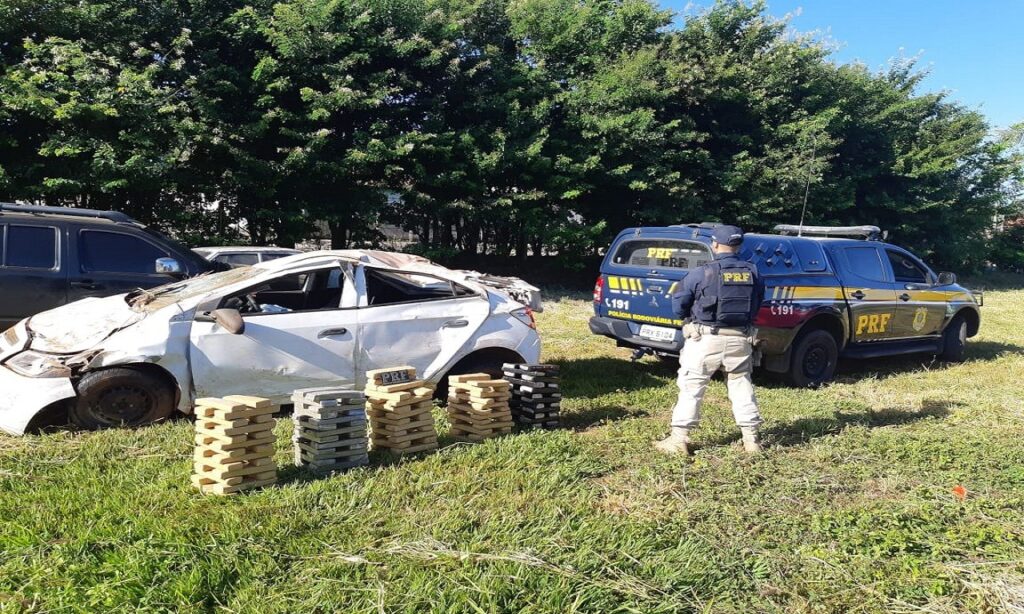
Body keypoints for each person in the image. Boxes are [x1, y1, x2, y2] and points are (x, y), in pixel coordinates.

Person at [655, 225, 765, 455]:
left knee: (692, 386)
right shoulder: (753, 272)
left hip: (705, 339)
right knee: (741, 385)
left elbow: (678, 305)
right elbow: (757, 303)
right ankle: (751, 439)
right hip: (740, 339)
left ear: (715, 244)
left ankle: (679, 440)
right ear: (739, 246)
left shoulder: (703, 272)